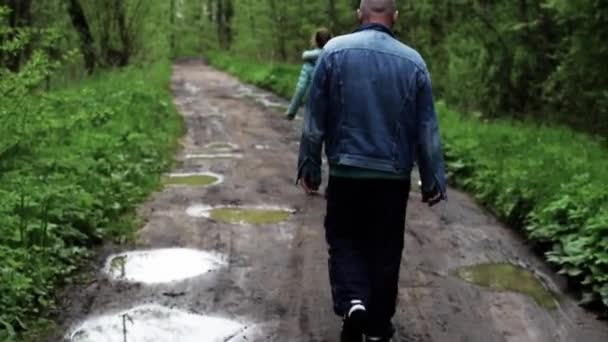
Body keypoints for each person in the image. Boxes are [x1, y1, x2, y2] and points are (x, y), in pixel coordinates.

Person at [296, 1, 447, 341]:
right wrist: (432, 177)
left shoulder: (333, 52)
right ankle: (378, 327)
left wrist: (310, 165)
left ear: (359, 15)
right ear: (394, 17)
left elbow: (314, 120)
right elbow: (427, 128)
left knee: (345, 239)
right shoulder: (414, 62)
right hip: (391, 179)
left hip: (347, 173)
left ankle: (353, 302)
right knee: (385, 247)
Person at [285, 28, 333, 120]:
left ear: (315, 41)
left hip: (314, 104)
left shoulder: (309, 62)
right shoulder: (334, 58)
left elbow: (301, 89)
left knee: (312, 131)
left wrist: (291, 112)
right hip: (332, 105)